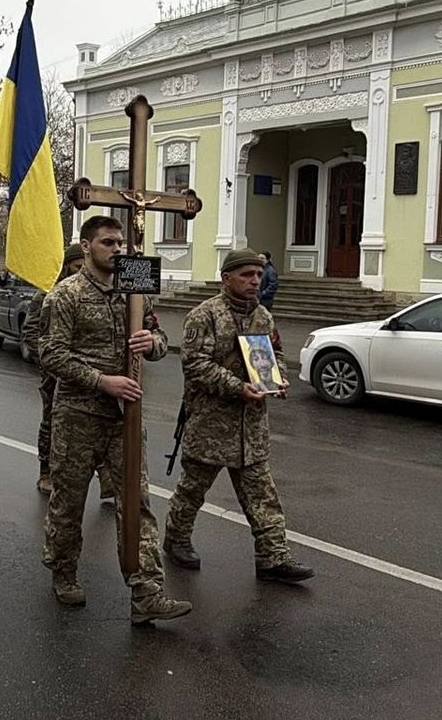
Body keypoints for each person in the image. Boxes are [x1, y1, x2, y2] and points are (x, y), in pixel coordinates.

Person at [36, 215, 190, 624]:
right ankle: (63, 571)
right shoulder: (66, 295)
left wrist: (152, 343)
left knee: (136, 502)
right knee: (68, 502)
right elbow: (50, 354)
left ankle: (146, 591)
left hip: (126, 416)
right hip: (78, 415)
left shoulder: (135, 287)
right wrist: (102, 381)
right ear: (86, 246)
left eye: (120, 242)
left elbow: (160, 337)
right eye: (108, 242)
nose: (117, 249)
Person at [164, 249, 315, 583]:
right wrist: (237, 387)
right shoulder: (205, 315)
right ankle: (176, 539)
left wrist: (277, 377)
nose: (255, 281)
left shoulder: (262, 316)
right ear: (226, 278)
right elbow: (195, 365)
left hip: (251, 427)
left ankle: (273, 557)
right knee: (192, 490)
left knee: (263, 496)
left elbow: (274, 351)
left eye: (258, 275)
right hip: (211, 425)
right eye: (247, 275)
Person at [25, 243, 87, 496]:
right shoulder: (48, 294)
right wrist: (48, 363)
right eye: (77, 266)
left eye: (84, 266)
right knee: (52, 420)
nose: (81, 271)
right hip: (55, 373)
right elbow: (30, 332)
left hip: (85, 371)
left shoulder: (91, 292)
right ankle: (46, 471)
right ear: (67, 266)